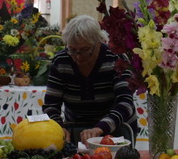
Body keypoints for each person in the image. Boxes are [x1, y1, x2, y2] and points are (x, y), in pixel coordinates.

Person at [43, 15, 136, 144]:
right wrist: (59, 127)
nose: (78, 57)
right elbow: (51, 105)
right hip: (76, 127)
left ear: (99, 42)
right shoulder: (61, 61)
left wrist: (100, 128)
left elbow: (125, 102)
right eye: (72, 50)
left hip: (116, 129)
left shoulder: (116, 59)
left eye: (85, 50)